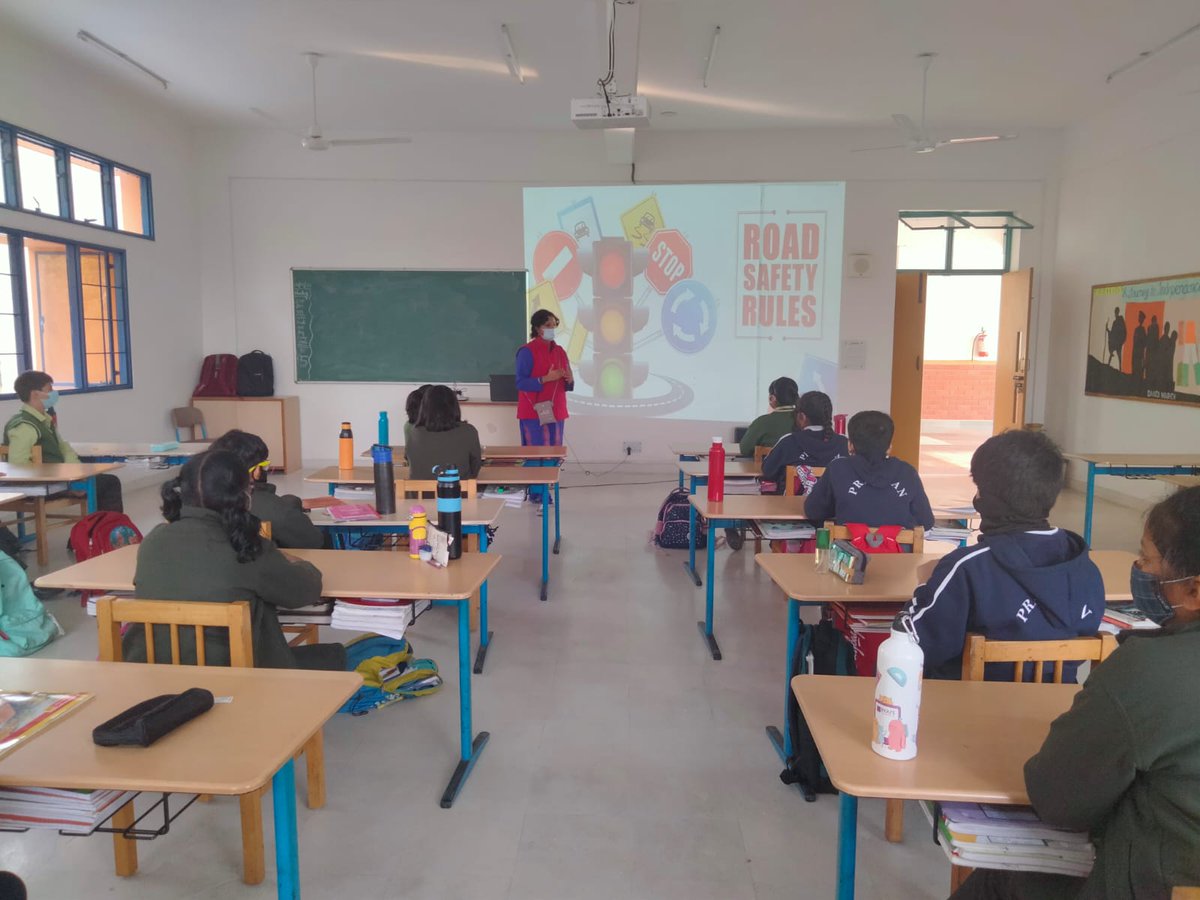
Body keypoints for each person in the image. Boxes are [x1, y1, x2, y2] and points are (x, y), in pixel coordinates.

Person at [950, 486, 1200, 899]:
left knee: (1001, 877)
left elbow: (1057, 798)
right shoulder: (1082, 567)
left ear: (1194, 591)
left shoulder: (1149, 673)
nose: (1139, 568)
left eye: (1148, 559)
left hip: (1154, 884)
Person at [903, 429, 1104, 680]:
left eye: (979, 489)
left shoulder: (966, 569)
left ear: (989, 498)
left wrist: (925, 584)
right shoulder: (1085, 568)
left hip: (967, 713)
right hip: (1059, 710)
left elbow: (912, 645)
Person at [128, 450, 345, 670]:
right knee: (342, 656)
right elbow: (305, 591)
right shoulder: (245, 547)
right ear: (242, 496)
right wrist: (298, 562)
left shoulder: (153, 541)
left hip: (158, 677)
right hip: (239, 679)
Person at [4, 371, 123, 511]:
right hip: (41, 486)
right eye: (50, 390)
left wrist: (78, 475)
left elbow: (63, 448)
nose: (54, 393)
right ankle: (106, 529)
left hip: (57, 478)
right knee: (110, 483)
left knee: (97, 478)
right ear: (35, 394)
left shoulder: (43, 420)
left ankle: (101, 527)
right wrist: (64, 482)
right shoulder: (25, 426)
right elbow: (19, 466)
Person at [802, 410, 933, 530]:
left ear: (850, 445)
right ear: (889, 447)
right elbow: (926, 522)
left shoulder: (837, 468)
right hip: (898, 554)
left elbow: (813, 511)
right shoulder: (907, 472)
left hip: (849, 553)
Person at [210, 429, 325, 549]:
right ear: (256, 471)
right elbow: (314, 540)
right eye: (264, 465)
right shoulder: (271, 507)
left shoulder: (200, 500)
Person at [516, 310, 572, 505]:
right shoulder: (526, 351)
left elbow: (567, 382)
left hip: (555, 411)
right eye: (548, 326)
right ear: (538, 328)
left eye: (554, 325)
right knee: (535, 452)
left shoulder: (560, 351)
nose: (552, 329)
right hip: (533, 412)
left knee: (553, 453)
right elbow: (521, 382)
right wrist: (545, 379)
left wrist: (568, 380)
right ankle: (536, 492)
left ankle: (546, 488)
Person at [760, 390, 849, 492]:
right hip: (834, 507)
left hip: (790, 506)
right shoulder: (844, 443)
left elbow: (767, 471)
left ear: (801, 416)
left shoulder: (789, 441)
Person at [406, 384, 482, 480]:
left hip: (420, 494)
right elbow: (475, 468)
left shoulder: (414, 432)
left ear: (424, 407)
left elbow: (410, 462)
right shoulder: (469, 431)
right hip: (458, 492)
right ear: (454, 407)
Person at [738, 376, 799, 457]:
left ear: (772, 398)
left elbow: (745, 449)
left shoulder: (762, 422)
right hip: (800, 469)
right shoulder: (804, 421)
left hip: (767, 469)